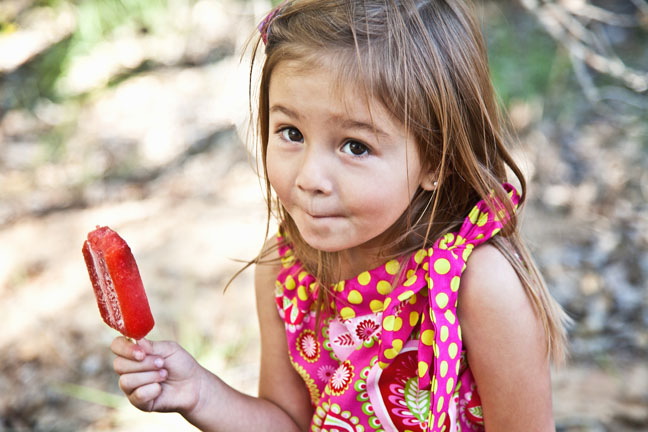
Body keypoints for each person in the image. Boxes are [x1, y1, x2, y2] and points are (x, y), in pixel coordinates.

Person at [110, 0, 570, 430]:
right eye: (290, 132)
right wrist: (199, 393)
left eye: (355, 146)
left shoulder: (478, 285)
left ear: (436, 162)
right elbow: (287, 421)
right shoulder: (283, 270)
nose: (310, 176)